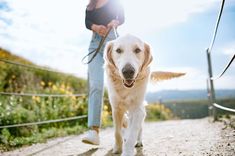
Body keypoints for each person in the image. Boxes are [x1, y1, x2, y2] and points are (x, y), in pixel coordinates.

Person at [82, 0, 125, 145]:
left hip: (113, 42)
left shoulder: (115, 2)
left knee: (118, 83)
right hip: (94, 44)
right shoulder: (91, 5)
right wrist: (95, 27)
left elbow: (122, 17)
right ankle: (94, 131)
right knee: (96, 84)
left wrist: (115, 22)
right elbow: (87, 22)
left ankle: (124, 121)